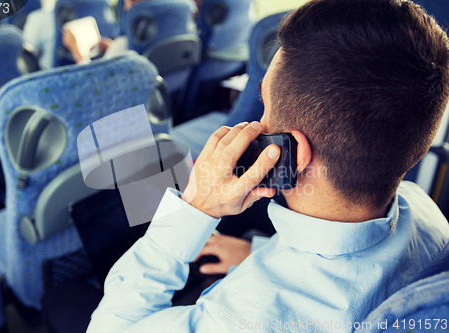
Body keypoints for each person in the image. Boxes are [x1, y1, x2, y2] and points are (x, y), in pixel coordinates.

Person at [87, 0, 449, 331]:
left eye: (264, 106)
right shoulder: (425, 212)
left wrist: (195, 208)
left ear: (292, 152)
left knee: (64, 298)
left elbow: (107, 325)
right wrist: (257, 250)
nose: (257, 122)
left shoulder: (239, 317)